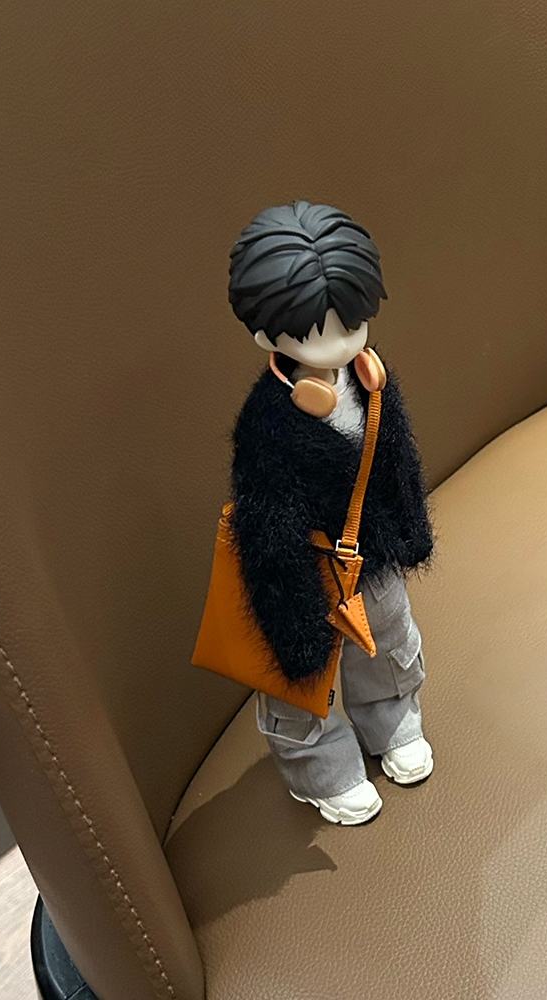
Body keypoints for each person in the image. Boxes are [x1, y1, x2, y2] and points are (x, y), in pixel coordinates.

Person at [228, 200, 435, 825]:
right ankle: (320, 768)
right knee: (301, 678)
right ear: (267, 335)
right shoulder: (267, 425)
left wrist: (410, 531)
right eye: (319, 332)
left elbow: (398, 462)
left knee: (389, 642)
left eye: (354, 322)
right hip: (306, 570)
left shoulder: (370, 381)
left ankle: (391, 723)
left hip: (373, 554)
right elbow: (266, 526)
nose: (343, 344)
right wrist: (288, 608)